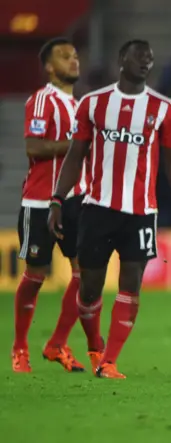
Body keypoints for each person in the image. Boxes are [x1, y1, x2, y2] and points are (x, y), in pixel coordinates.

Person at [48, 40, 171, 378]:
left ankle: (109, 360)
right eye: (138, 56)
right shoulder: (94, 104)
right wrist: (57, 198)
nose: (146, 62)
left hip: (141, 213)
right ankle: (96, 345)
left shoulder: (164, 108)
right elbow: (75, 155)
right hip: (97, 209)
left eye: (150, 57)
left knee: (131, 285)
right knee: (89, 289)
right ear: (120, 60)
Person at [13, 37, 87, 373]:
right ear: (48, 66)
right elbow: (34, 147)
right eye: (64, 56)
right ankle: (19, 348)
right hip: (40, 202)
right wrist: (76, 145)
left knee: (84, 273)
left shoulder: (80, 106)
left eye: (74, 55)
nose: (73, 60)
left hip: (74, 200)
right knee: (35, 275)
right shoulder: (43, 101)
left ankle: (56, 344)